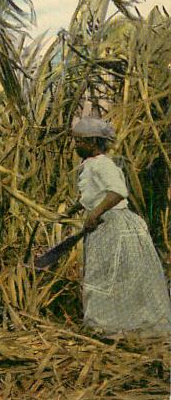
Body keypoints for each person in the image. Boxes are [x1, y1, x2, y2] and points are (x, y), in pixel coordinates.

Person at [67, 117, 171, 335]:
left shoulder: (104, 164)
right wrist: (76, 208)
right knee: (106, 273)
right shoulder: (91, 164)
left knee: (110, 274)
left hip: (114, 226)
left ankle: (113, 325)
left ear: (94, 142)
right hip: (105, 225)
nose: (76, 146)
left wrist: (94, 213)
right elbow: (96, 193)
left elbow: (117, 192)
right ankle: (107, 323)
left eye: (80, 142)